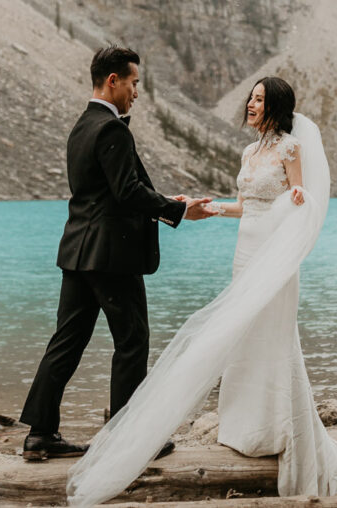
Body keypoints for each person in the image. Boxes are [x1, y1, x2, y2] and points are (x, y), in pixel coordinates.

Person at [66, 76, 337, 505]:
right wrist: (208, 208)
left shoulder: (289, 149)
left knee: (275, 336)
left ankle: (277, 427)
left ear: (276, 107)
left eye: (260, 99)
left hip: (273, 253)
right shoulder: (249, 151)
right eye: (251, 97)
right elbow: (248, 204)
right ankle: (243, 427)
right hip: (244, 251)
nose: (251, 104)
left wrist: (298, 197)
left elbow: (299, 195)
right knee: (244, 336)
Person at [19, 45, 216, 462]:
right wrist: (179, 209)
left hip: (77, 252)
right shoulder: (112, 129)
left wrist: (164, 200)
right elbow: (126, 193)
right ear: (114, 81)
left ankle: (40, 435)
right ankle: (128, 438)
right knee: (132, 341)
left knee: (66, 342)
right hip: (110, 257)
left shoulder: (81, 125)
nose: (137, 92)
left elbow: (110, 192)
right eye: (134, 83)